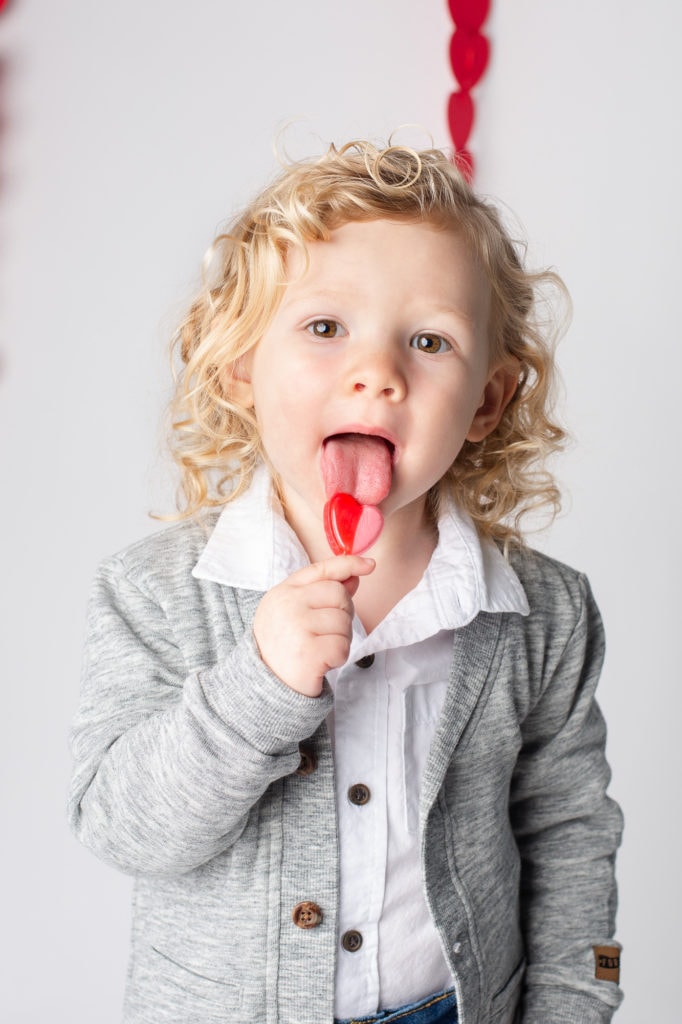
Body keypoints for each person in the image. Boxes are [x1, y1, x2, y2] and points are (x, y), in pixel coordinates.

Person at [68, 141, 623, 1024]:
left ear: (488, 399)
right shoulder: (155, 591)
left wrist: (577, 999)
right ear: (240, 366)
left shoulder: (543, 614)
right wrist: (257, 685)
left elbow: (571, 836)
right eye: (326, 328)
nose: (379, 373)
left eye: (430, 341)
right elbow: (125, 830)